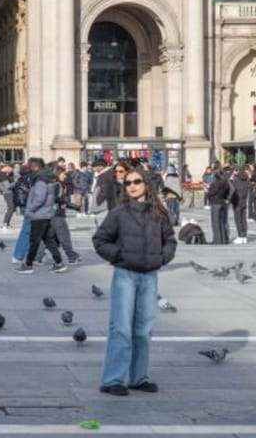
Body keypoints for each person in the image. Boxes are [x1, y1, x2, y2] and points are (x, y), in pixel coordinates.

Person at [92, 166, 177, 396]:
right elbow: (100, 240)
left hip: (149, 275)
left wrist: (162, 258)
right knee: (120, 327)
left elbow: (170, 240)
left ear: (146, 184)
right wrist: (118, 256)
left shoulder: (158, 212)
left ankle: (139, 377)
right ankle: (112, 380)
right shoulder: (118, 213)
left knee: (143, 329)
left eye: (136, 181)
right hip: (125, 275)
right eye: (127, 183)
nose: (132, 186)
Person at [16, 158, 67, 274]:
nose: (28, 170)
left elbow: (39, 198)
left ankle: (28, 265)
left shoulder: (40, 181)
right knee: (49, 240)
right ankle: (59, 263)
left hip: (39, 215)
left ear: (35, 168)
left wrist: (30, 209)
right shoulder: (47, 179)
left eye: (30, 167)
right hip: (46, 214)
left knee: (34, 241)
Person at [204, 168, 230, 245]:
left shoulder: (215, 184)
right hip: (222, 202)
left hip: (215, 203)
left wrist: (207, 191)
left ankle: (217, 240)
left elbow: (211, 193)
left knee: (215, 223)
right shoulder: (225, 183)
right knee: (221, 222)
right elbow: (227, 192)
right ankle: (223, 240)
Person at [228, 167, 249, 245]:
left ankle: (240, 236)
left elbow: (232, 189)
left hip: (237, 200)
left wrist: (230, 180)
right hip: (244, 200)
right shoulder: (247, 178)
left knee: (238, 219)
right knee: (243, 219)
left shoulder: (236, 179)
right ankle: (244, 237)